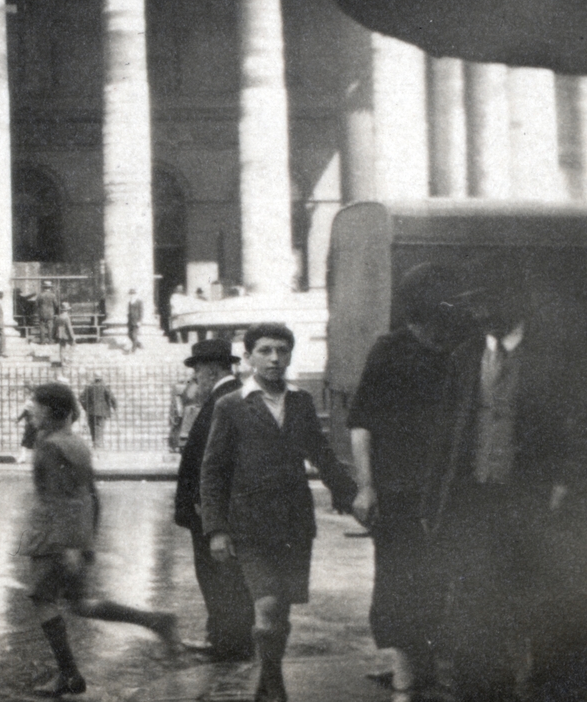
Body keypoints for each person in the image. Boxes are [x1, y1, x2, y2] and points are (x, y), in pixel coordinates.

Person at [422, 267, 587, 702]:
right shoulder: (462, 357)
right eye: (473, 303)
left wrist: (566, 482)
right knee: (478, 601)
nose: (478, 312)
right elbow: (446, 435)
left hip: (537, 502)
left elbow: (580, 427)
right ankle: (484, 691)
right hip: (475, 500)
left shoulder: (557, 357)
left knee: (543, 599)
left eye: (486, 301)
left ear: (514, 302)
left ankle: (549, 688)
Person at [200, 323, 356, 702]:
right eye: (265, 350)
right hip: (248, 526)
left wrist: (351, 495)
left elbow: (321, 454)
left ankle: (266, 677)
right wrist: (216, 530)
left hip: (294, 525)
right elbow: (213, 469)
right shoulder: (231, 405)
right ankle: (275, 686)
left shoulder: (301, 402)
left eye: (282, 351)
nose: (274, 358)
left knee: (281, 615)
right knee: (267, 610)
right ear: (250, 356)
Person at [348, 263, 467, 702]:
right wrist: (366, 485)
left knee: (442, 580)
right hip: (397, 491)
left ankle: (431, 667)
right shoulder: (389, 351)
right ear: (421, 312)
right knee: (397, 578)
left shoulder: (461, 353)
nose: (441, 327)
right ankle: (405, 677)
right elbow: (361, 423)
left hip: (447, 490)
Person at [19, 381, 178, 696]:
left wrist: (69, 547)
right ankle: (155, 621)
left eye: (35, 404)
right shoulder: (74, 442)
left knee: (42, 599)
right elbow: (91, 495)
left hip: (53, 539)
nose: (30, 409)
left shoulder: (52, 447)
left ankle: (69, 675)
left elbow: (59, 500)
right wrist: (87, 539)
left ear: (52, 410)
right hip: (75, 536)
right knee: (80, 603)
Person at [172, 337, 255, 662]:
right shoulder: (233, 394)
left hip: (212, 510)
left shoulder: (225, 398)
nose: (195, 384)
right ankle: (224, 637)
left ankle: (229, 644)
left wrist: (208, 506)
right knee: (224, 575)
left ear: (209, 371)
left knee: (218, 575)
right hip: (214, 507)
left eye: (196, 376)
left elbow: (218, 459)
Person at [79, 374, 117, 447]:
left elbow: (81, 398)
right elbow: (111, 397)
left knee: (92, 426)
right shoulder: (105, 387)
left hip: (91, 411)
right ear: (101, 380)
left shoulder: (89, 388)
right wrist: (115, 407)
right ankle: (98, 443)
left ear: (94, 380)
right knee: (99, 426)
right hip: (102, 411)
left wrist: (86, 407)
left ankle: (95, 442)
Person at [125, 288, 144, 353]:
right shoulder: (129, 302)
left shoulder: (139, 302)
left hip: (136, 321)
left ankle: (133, 350)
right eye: (130, 294)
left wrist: (140, 321)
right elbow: (129, 312)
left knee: (134, 335)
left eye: (133, 294)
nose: (131, 295)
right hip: (130, 321)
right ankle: (139, 344)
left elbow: (141, 312)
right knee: (129, 335)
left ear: (135, 294)